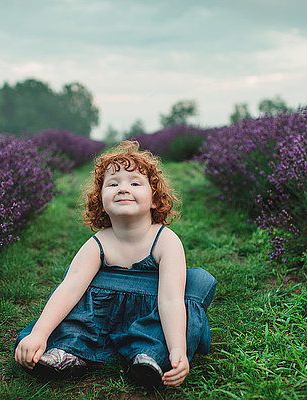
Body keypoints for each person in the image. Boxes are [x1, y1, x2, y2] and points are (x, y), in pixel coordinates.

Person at [14, 141, 216, 388]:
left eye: (134, 183)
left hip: (153, 312)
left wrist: (178, 349)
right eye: (113, 184)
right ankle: (70, 350)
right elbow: (69, 288)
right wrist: (39, 334)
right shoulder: (98, 243)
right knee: (76, 291)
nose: (123, 189)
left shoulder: (165, 240)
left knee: (192, 287)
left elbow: (170, 301)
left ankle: (150, 356)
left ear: (154, 199)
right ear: (101, 200)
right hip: (103, 316)